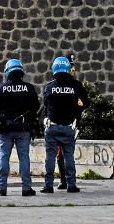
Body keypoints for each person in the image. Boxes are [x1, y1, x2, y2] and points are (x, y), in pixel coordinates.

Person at [0, 58, 40, 196]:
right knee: (24, 157)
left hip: (5, 129)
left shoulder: (0, 88)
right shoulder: (28, 88)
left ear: (8, 72)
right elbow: (36, 106)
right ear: (21, 72)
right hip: (23, 128)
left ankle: (1, 188)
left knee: (3, 156)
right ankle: (26, 188)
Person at [41, 56, 87, 193]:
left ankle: (48, 185)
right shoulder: (76, 86)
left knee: (50, 157)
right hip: (69, 127)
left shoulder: (50, 87)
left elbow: (45, 103)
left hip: (52, 127)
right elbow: (85, 102)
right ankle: (71, 184)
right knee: (69, 157)